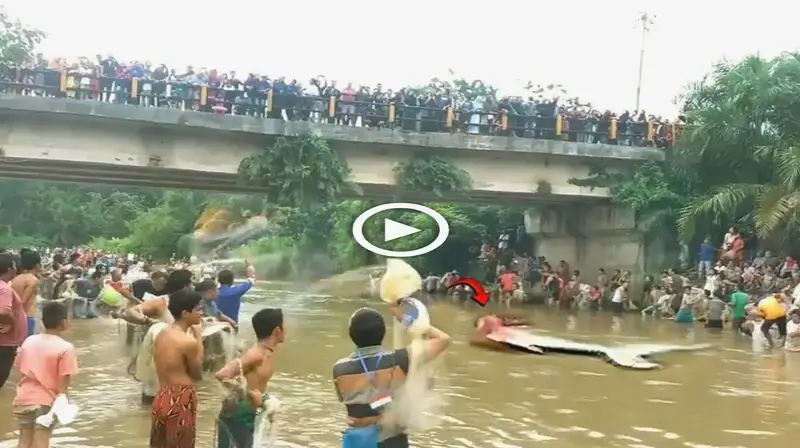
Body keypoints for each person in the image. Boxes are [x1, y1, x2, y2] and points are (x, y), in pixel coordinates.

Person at [332, 304, 451, 448]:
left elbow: (350, 401)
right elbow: (443, 339)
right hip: (392, 441)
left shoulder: (339, 369)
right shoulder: (401, 360)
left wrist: (370, 415)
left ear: (352, 335)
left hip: (358, 442)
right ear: (382, 333)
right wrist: (405, 319)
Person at [215, 308, 284, 448]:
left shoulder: (266, 353)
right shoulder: (256, 354)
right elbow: (222, 375)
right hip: (238, 413)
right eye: (284, 326)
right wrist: (249, 393)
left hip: (248, 412)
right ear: (277, 330)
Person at [13, 301, 79, 448]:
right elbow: (64, 378)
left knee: (24, 441)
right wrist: (62, 398)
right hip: (46, 401)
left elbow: (19, 366)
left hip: (23, 398)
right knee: (41, 441)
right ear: (64, 322)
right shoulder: (65, 347)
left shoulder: (29, 341)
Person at [150, 289, 205, 448]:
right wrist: (199, 337)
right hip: (181, 398)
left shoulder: (162, 333)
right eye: (198, 309)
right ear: (185, 313)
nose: (201, 313)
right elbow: (197, 374)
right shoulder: (188, 342)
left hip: (162, 396)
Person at [0, 252, 27, 389]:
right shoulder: (4, 289)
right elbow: (3, 310)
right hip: (6, 341)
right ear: (10, 269)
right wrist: (12, 323)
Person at [12, 250, 42, 336]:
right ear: (37, 265)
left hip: (17, 316)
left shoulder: (16, 279)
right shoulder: (33, 280)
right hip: (28, 316)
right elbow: (23, 301)